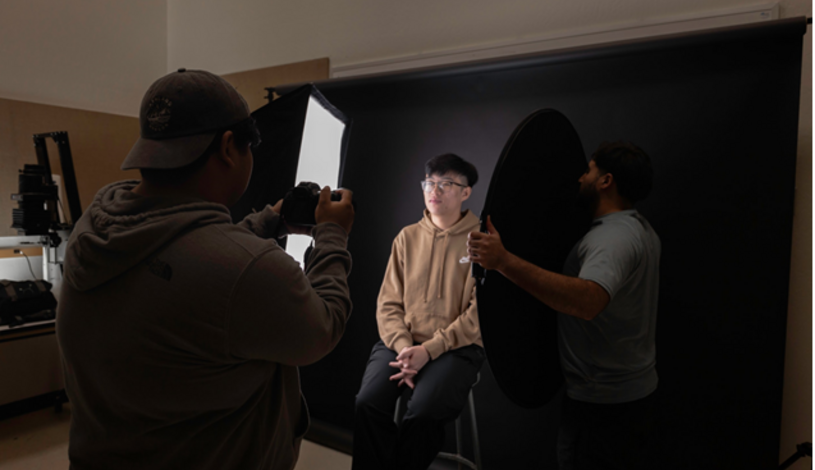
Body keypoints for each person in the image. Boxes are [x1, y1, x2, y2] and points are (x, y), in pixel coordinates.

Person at [56, 69, 355, 470]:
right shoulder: (251, 272)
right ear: (230, 147)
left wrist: (266, 223)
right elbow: (321, 329)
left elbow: (184, 252)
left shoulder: (92, 230)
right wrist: (333, 235)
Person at [467, 141, 660, 470]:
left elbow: (587, 301)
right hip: (628, 397)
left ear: (606, 181)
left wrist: (503, 262)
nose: (581, 177)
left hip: (603, 408)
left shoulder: (612, 240)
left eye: (589, 170)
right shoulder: (638, 227)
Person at [352, 153, 485, 470]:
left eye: (446, 184)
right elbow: (388, 304)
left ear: (466, 192)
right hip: (401, 343)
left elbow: (478, 315)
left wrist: (430, 350)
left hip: (457, 348)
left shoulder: (483, 242)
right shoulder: (407, 237)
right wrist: (404, 348)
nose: (434, 190)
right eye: (429, 183)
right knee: (367, 403)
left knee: (423, 412)